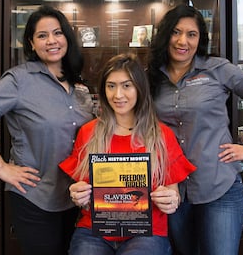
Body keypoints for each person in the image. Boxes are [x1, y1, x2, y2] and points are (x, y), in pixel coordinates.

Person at [147, 4, 243, 255]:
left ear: (200, 39)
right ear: (165, 35)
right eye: (176, 32)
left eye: (191, 34)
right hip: (172, 188)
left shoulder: (218, 69)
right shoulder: (151, 77)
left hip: (219, 186)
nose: (182, 41)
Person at [0, 5, 94, 255]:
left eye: (57, 33)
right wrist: (2, 168)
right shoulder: (19, 80)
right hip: (36, 197)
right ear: (31, 43)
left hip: (76, 197)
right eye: (42, 36)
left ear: (67, 37)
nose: (51, 41)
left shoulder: (76, 83)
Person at [60, 53, 196, 255]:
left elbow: (173, 191)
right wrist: (78, 194)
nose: (118, 95)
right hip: (95, 230)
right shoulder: (88, 133)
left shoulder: (162, 135)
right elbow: (81, 192)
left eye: (126, 85)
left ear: (139, 88)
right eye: (111, 86)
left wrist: (171, 199)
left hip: (147, 232)